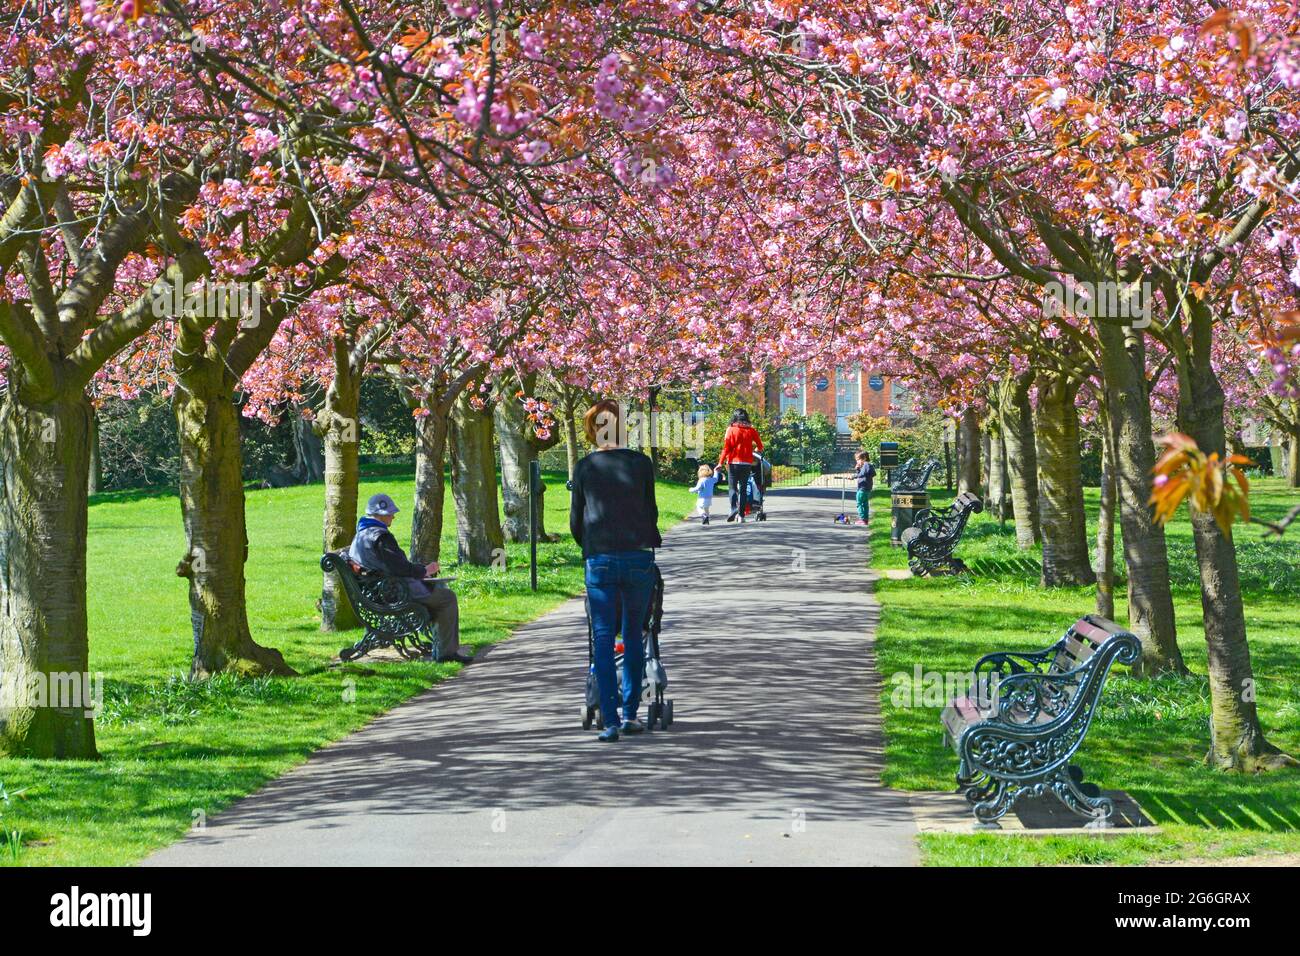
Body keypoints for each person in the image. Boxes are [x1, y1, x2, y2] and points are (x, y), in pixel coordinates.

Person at [569, 399, 662, 742]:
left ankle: (608, 720)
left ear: (594, 429)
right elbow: (650, 511)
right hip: (637, 556)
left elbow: (576, 520)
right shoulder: (641, 464)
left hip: (601, 557)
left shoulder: (584, 468)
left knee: (604, 637)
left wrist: (592, 544)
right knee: (635, 634)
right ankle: (630, 714)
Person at [348, 492, 472, 664]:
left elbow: (395, 566)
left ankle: (442, 646)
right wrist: (424, 571)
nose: (393, 516)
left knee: (439, 591)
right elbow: (400, 568)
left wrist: (421, 572)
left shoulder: (362, 535)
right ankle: (446, 653)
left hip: (379, 591)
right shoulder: (380, 537)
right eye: (390, 513)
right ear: (380, 515)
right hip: (394, 593)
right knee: (447, 598)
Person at [718, 408, 764, 522]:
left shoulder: (730, 429)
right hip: (746, 463)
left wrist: (720, 463)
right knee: (743, 489)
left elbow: (726, 448)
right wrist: (755, 450)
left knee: (732, 488)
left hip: (733, 462)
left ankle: (733, 508)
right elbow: (760, 446)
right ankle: (742, 515)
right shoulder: (751, 430)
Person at [853, 451, 877, 526]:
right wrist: (858, 469)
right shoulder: (867, 465)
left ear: (864, 458)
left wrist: (854, 476)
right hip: (867, 488)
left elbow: (863, 474)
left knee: (859, 503)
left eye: (858, 459)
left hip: (862, 488)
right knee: (865, 504)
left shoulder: (866, 465)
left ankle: (862, 519)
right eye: (856, 460)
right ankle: (865, 520)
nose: (857, 461)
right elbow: (865, 474)